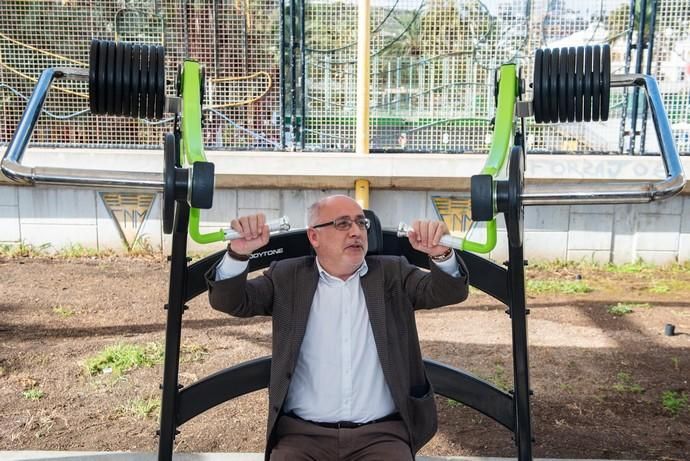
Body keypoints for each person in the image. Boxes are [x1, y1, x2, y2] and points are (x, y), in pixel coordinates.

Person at [206, 194, 469, 461]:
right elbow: (230, 301)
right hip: (301, 437)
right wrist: (238, 253)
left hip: (382, 436)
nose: (356, 232)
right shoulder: (287, 278)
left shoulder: (393, 274)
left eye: (360, 223)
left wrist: (441, 254)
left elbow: (448, 292)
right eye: (342, 224)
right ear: (314, 237)